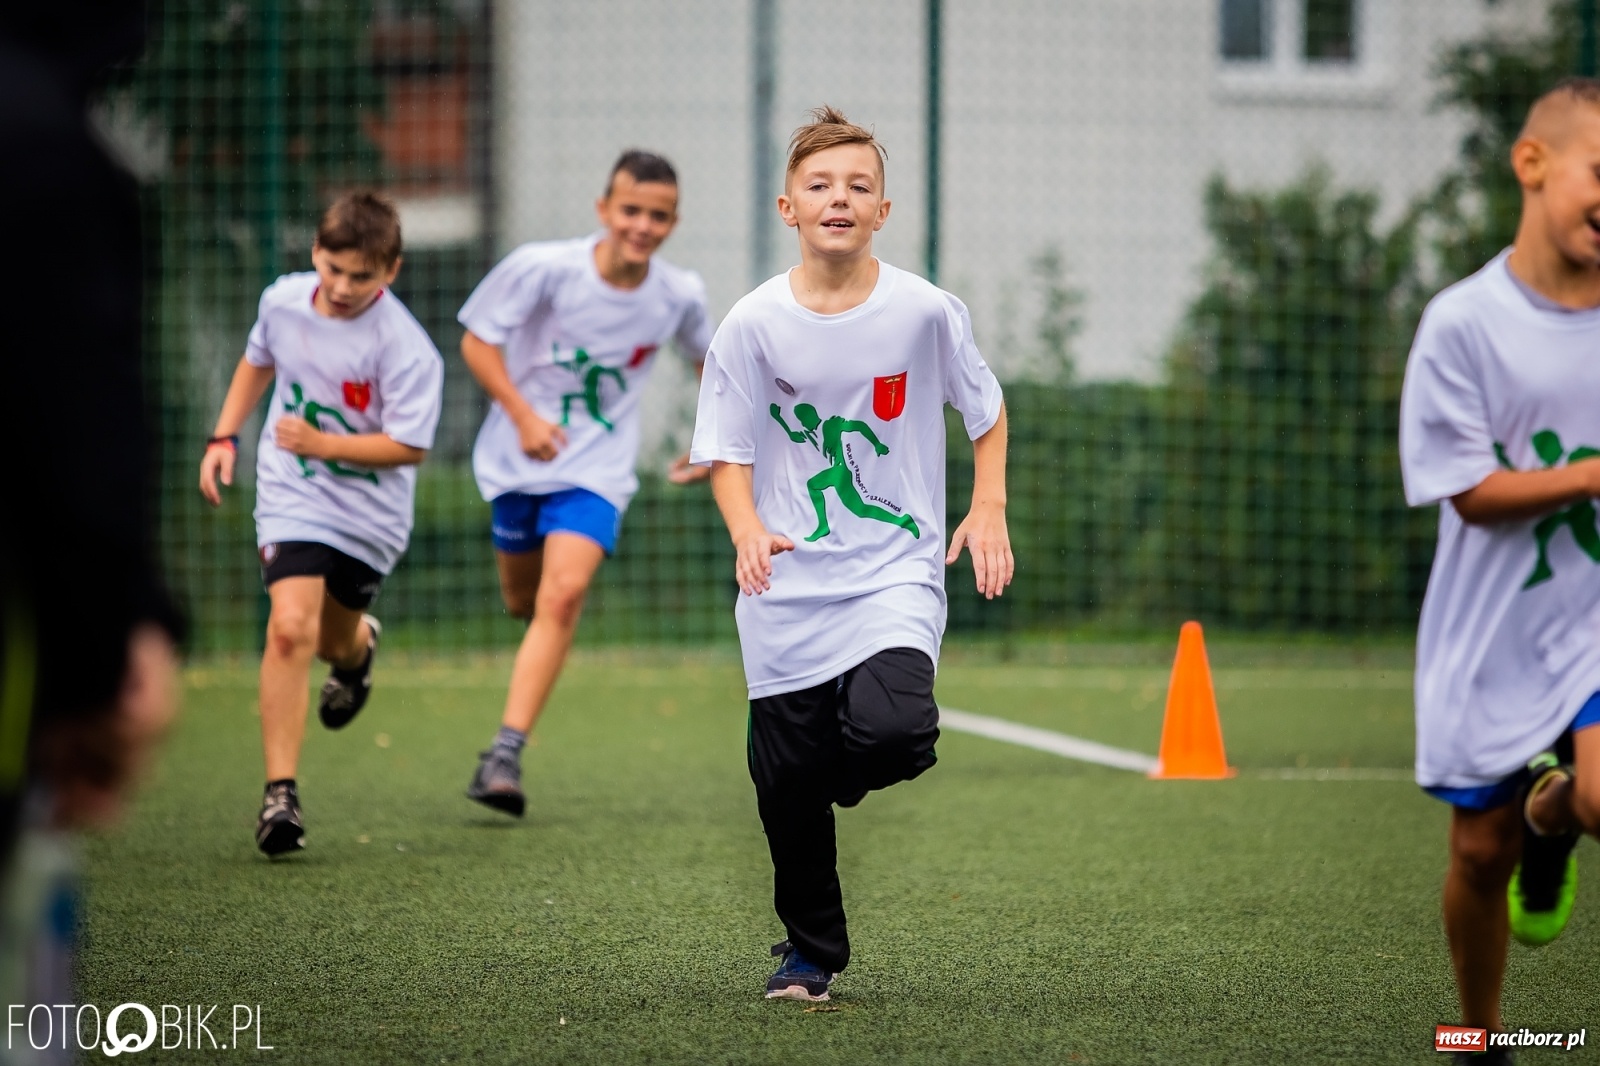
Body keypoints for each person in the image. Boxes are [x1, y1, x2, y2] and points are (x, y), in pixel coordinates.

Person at [689, 107, 1011, 1001]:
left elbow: (985, 414)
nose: (840, 198)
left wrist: (989, 507)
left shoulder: (924, 312)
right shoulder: (750, 324)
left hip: (894, 570)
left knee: (897, 732)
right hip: (785, 581)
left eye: (858, 186)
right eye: (821, 185)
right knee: (784, 781)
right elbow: (727, 452)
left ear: (884, 209)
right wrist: (747, 529)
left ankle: (840, 768)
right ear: (788, 206)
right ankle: (809, 954)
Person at [1399, 77, 1600, 1064]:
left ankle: (1564, 810)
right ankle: (1477, 1037)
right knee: (1480, 852)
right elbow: (1468, 490)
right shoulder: (1463, 323)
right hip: (1495, 622)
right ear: (1533, 164)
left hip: (1595, 616)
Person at [456, 150, 712, 816]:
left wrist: (715, 440)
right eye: (631, 210)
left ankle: (504, 753)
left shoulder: (678, 294)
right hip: (517, 462)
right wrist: (523, 416)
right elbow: (477, 343)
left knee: (563, 595)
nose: (643, 226)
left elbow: (709, 364)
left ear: (673, 221)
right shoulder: (545, 269)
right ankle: (518, 688)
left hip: (597, 472)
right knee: (524, 601)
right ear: (604, 210)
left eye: (658, 216)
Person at [199, 192, 444, 857]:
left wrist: (324, 443)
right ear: (315, 254)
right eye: (332, 268)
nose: (341, 287)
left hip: (370, 516)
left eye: (360, 276)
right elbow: (258, 361)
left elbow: (410, 445)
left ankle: (359, 651)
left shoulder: (407, 348)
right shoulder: (282, 302)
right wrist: (224, 436)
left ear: (389, 272)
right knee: (288, 629)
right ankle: (281, 794)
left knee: (333, 641)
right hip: (292, 492)